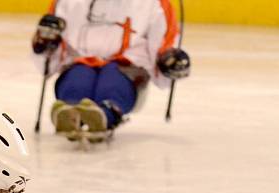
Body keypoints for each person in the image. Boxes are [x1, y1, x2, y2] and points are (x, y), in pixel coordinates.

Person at [31, 0, 191, 141]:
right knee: (79, 77)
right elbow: (54, 45)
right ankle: (71, 109)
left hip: (126, 67)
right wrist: (44, 42)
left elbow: (165, 42)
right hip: (79, 62)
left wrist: (169, 59)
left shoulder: (154, 3)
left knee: (112, 81)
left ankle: (105, 115)